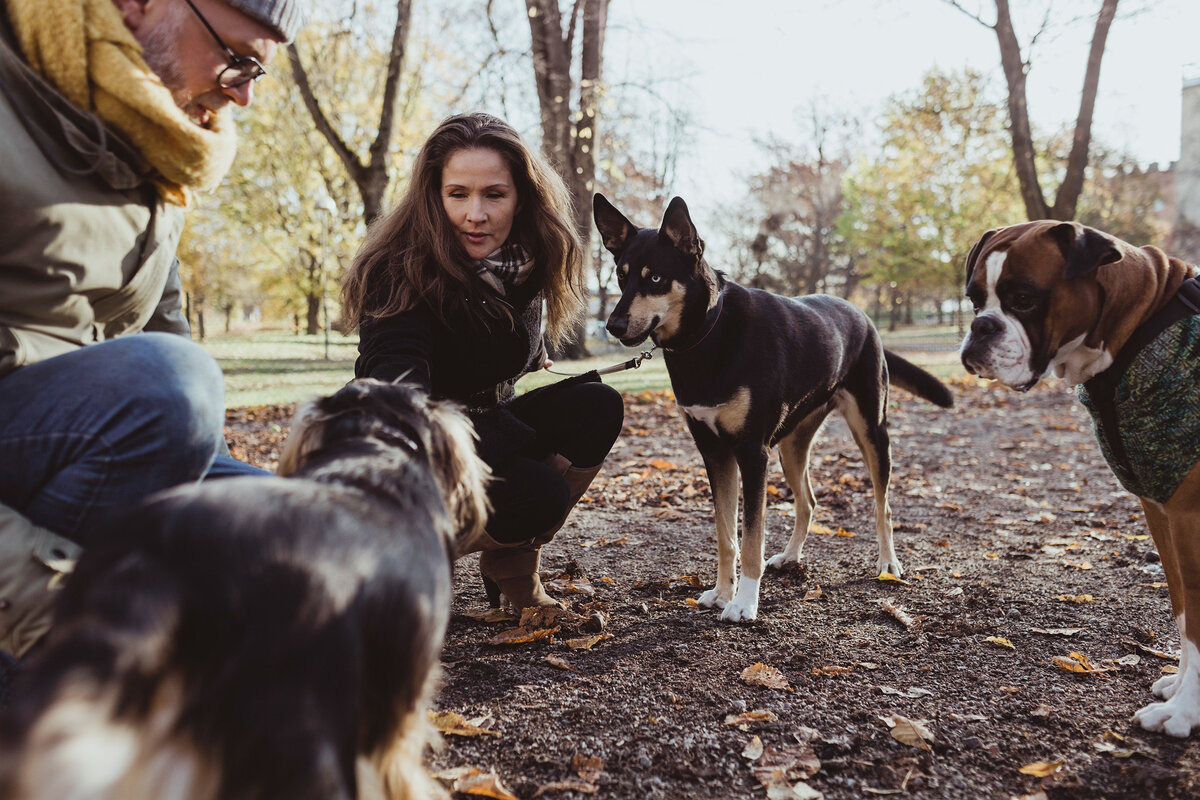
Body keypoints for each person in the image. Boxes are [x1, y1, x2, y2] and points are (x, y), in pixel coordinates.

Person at [0, 0, 302, 660]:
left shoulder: (155, 140)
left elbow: (156, 329)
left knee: (300, 533)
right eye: (239, 59)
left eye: (260, 72)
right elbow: (163, 392)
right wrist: (48, 602)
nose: (246, 95)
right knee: (170, 386)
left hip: (86, 443)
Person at [342, 112, 625, 611]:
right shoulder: (400, 269)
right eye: (458, 194)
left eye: (494, 194)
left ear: (521, 198)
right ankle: (401, 558)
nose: (476, 214)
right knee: (537, 495)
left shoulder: (527, 262)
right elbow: (395, 382)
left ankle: (510, 562)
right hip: (417, 440)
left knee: (595, 405)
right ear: (434, 196)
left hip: (489, 425)